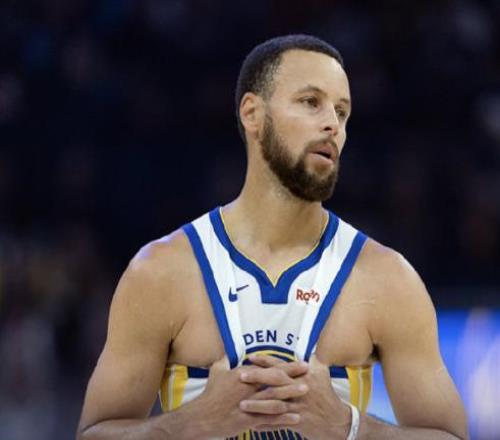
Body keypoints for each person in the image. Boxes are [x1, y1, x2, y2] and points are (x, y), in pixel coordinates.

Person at [76, 35, 468, 440]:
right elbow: (94, 433)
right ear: (253, 114)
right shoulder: (161, 271)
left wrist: (348, 427)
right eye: (311, 102)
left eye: (342, 111)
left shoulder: (386, 279)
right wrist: (190, 424)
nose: (333, 124)